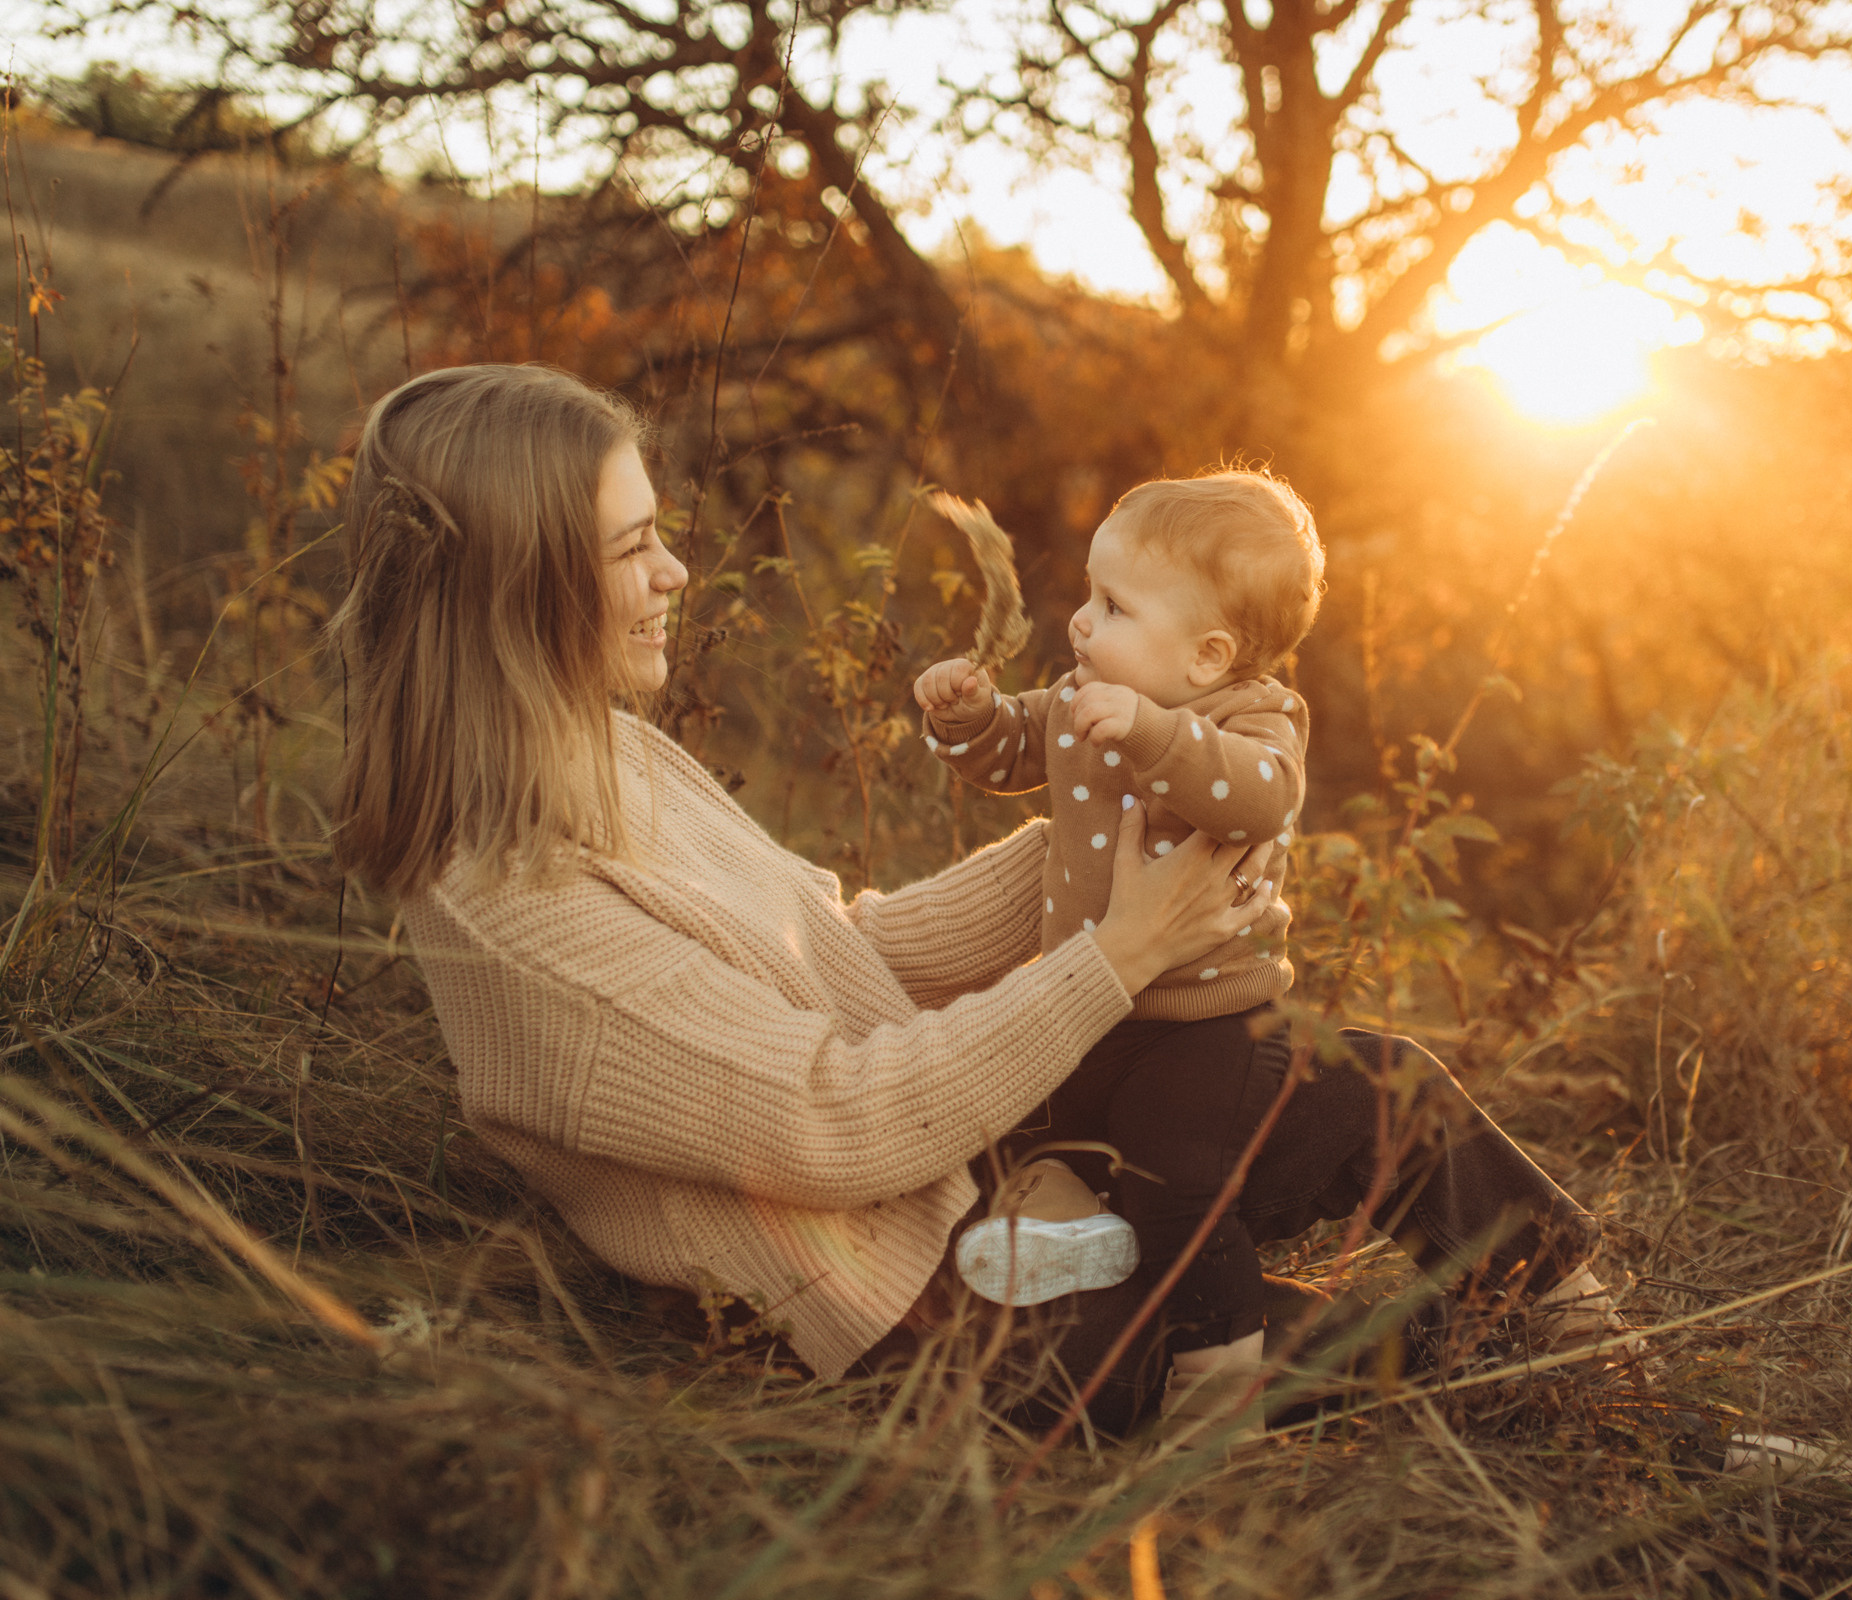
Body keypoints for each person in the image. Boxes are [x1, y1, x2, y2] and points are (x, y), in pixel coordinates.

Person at [330, 363, 1624, 1440]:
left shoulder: (602, 747)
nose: (676, 571)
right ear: (518, 586)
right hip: (935, 1307)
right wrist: (1121, 951)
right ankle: (1578, 1398)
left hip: (972, 1172)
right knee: (1304, 1341)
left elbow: (833, 951)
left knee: (1377, 1089)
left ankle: (1581, 1315)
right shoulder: (518, 908)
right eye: (633, 548)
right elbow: (834, 1122)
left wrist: (1095, 852)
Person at [912, 471, 1322, 1417]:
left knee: (1179, 1179)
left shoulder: (1252, 718)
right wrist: (968, 718)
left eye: (1114, 607)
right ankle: (1077, 1234)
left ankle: (1219, 1376)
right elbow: (1014, 751)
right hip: (1091, 1000)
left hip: (1205, 1020)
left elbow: (1262, 796)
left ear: (1209, 657)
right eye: (1091, 596)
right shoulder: (1083, 696)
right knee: (1024, 1132)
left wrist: (1152, 733)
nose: (1081, 623)